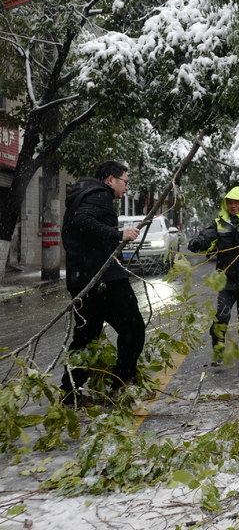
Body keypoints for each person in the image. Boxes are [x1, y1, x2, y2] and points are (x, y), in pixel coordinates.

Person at [60, 160, 143, 406]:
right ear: (110, 180)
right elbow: (81, 221)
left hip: (83, 279)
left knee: (87, 337)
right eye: (125, 182)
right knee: (133, 328)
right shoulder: (98, 195)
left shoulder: (83, 194)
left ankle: (70, 392)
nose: (126, 188)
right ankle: (121, 383)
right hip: (103, 280)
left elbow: (80, 225)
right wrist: (118, 234)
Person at [189, 186, 239, 367]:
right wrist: (198, 242)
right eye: (230, 202)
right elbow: (207, 237)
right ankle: (218, 352)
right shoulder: (220, 222)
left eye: (237, 202)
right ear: (225, 204)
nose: (233, 206)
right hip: (227, 281)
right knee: (221, 317)